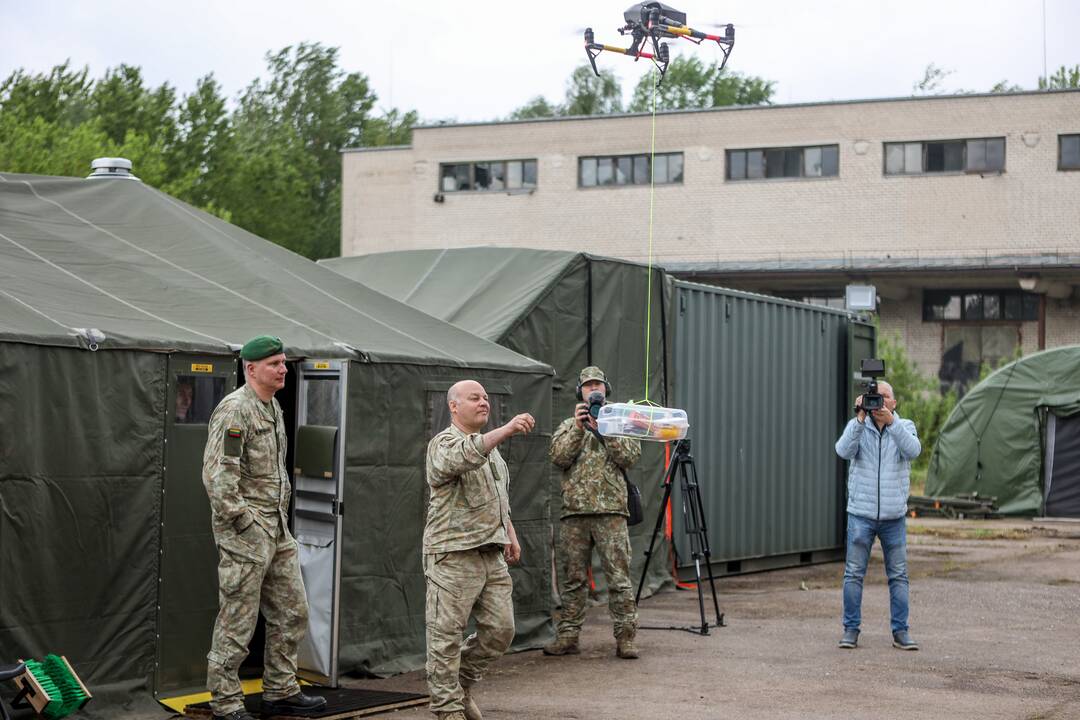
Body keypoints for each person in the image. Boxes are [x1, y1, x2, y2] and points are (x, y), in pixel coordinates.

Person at [201, 335, 325, 720]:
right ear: (250, 368)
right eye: (274, 364)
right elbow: (218, 476)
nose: (283, 369)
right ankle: (225, 702)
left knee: (293, 611)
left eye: (284, 363)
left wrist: (273, 524)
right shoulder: (235, 410)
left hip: (276, 529)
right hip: (247, 533)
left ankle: (281, 690)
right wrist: (243, 521)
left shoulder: (272, 408)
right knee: (237, 619)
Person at [424, 379, 534, 720]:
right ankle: (447, 710)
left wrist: (510, 535)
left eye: (486, 397)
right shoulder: (443, 443)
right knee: (445, 637)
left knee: (501, 630)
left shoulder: (492, 451)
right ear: (454, 406)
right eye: (475, 398)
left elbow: (499, 499)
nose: (483, 402)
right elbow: (462, 458)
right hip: (453, 555)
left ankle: (460, 685)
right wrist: (506, 429)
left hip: (490, 553)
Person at [543, 366, 642, 660]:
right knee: (573, 579)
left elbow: (630, 456)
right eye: (587, 385)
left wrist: (605, 430)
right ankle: (568, 636)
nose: (593, 389)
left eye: (597, 383)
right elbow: (558, 457)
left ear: (606, 388)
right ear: (579, 391)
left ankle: (626, 638)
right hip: (574, 514)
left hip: (611, 512)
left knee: (618, 578)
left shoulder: (621, 421)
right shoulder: (568, 424)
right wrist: (578, 428)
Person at [834, 380, 922, 651]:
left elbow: (914, 451)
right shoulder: (859, 427)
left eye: (885, 398)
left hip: (894, 516)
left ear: (894, 403)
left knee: (898, 575)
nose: (880, 403)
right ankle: (850, 630)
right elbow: (842, 451)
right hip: (861, 513)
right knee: (853, 574)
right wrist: (859, 418)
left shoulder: (904, 426)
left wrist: (892, 423)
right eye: (875, 398)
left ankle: (901, 632)